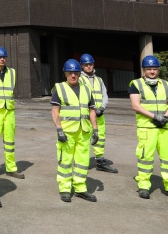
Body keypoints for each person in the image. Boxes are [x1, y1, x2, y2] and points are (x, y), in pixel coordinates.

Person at [129, 55, 168, 201]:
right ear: (144, 70)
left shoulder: (167, 85)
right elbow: (136, 105)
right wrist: (155, 117)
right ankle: (143, 186)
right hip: (147, 128)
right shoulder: (136, 84)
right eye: (149, 69)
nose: (152, 72)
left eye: (155, 69)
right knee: (145, 158)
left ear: (158, 70)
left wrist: (165, 117)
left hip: (165, 127)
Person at [50, 59, 98, 203]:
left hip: (84, 131)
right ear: (65, 74)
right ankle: (65, 189)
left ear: (79, 74)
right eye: (70, 73)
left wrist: (95, 130)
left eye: (76, 73)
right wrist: (59, 129)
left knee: (82, 162)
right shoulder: (59, 88)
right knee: (65, 161)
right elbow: (55, 110)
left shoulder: (87, 89)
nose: (73, 76)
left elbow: (92, 110)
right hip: (67, 132)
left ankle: (80, 188)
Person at [0, 47, 24, 179]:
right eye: (0, 57)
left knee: (10, 142)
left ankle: (11, 168)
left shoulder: (12, 72)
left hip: (9, 111)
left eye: (4, 57)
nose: (2, 59)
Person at [78, 54, 118, 174]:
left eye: (90, 64)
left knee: (100, 139)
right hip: (86, 115)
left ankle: (100, 162)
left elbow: (105, 95)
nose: (89, 66)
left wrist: (102, 108)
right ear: (81, 66)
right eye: (86, 64)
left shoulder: (99, 80)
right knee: (84, 139)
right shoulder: (79, 79)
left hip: (99, 115)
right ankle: (82, 163)